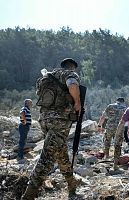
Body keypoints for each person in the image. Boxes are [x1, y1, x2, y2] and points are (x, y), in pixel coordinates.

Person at [22, 58, 81, 200]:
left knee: (61, 155)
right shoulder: (69, 74)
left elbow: (40, 96)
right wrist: (77, 103)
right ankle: (29, 194)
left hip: (44, 120)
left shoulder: (46, 77)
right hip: (59, 122)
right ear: (72, 67)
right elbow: (72, 85)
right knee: (46, 158)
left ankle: (72, 184)